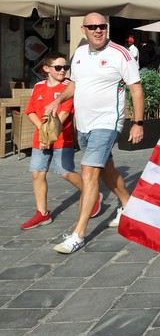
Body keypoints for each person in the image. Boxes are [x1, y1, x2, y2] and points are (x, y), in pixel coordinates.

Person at [45, 12, 145, 254]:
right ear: (84, 30)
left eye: (102, 26)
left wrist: (138, 122)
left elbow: (136, 89)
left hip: (107, 122)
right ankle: (130, 207)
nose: (98, 30)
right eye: (92, 27)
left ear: (107, 28)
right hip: (85, 125)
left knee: (89, 173)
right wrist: (57, 100)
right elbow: (74, 84)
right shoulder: (79, 53)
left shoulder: (120, 54)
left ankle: (78, 234)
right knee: (106, 171)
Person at [20, 53, 101, 230]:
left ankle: (92, 194)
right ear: (46, 69)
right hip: (41, 138)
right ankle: (42, 213)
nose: (63, 71)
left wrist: (47, 135)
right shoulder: (38, 86)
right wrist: (43, 132)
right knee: (37, 174)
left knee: (65, 173)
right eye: (58, 67)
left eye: (65, 67)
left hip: (62, 139)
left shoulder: (68, 87)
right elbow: (30, 111)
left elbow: (63, 115)